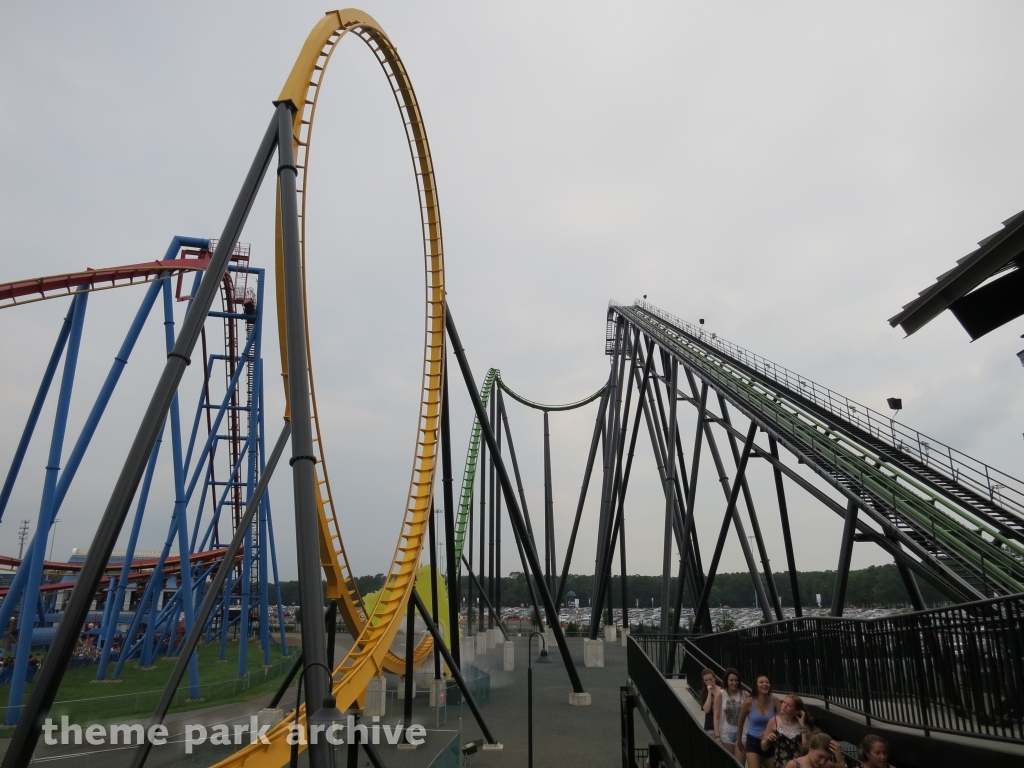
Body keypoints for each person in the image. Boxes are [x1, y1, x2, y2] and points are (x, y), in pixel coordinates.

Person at [736, 674, 783, 768]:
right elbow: (740, 722)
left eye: (767, 682)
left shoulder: (775, 700)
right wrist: (739, 740)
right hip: (753, 740)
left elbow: (781, 720)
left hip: (770, 740)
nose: (764, 684)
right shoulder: (748, 703)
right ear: (756, 686)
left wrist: (770, 731)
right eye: (761, 682)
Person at [760, 694, 805, 765]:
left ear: (796, 711)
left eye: (789, 706)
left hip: (798, 762)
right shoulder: (774, 721)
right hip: (781, 763)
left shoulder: (802, 723)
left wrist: (803, 725)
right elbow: (763, 747)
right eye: (784, 702)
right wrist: (768, 740)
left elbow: (805, 747)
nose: (784, 706)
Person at [713, 668, 747, 758]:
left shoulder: (745, 694)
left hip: (742, 732)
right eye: (731, 680)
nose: (734, 683)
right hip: (726, 732)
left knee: (739, 762)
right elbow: (716, 716)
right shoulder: (720, 694)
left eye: (736, 680)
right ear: (726, 681)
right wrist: (717, 735)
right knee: (730, 761)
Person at [699, 668, 720, 735]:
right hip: (710, 726)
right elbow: (706, 710)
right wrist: (709, 693)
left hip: (722, 724)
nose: (708, 682)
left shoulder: (722, 690)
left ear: (714, 678)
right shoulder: (703, 692)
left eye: (710, 679)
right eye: (706, 680)